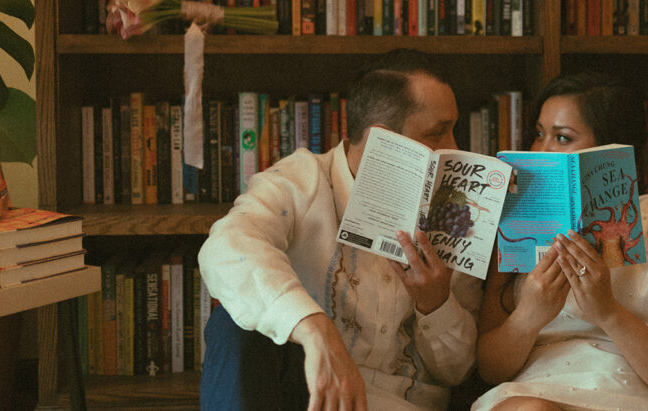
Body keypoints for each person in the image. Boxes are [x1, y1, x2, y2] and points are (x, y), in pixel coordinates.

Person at [198, 49, 482, 411]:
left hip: (403, 406)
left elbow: (456, 373)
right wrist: (315, 327)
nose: (454, 149)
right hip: (310, 396)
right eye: (437, 134)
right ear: (384, 140)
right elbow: (226, 246)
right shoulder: (302, 182)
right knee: (233, 325)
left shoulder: (456, 213)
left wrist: (435, 303)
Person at [473, 72, 648, 411]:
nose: (541, 151)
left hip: (639, 397)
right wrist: (529, 315)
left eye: (562, 138)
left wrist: (609, 313)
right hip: (537, 394)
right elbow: (490, 369)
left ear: (609, 151)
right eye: (539, 134)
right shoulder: (517, 227)